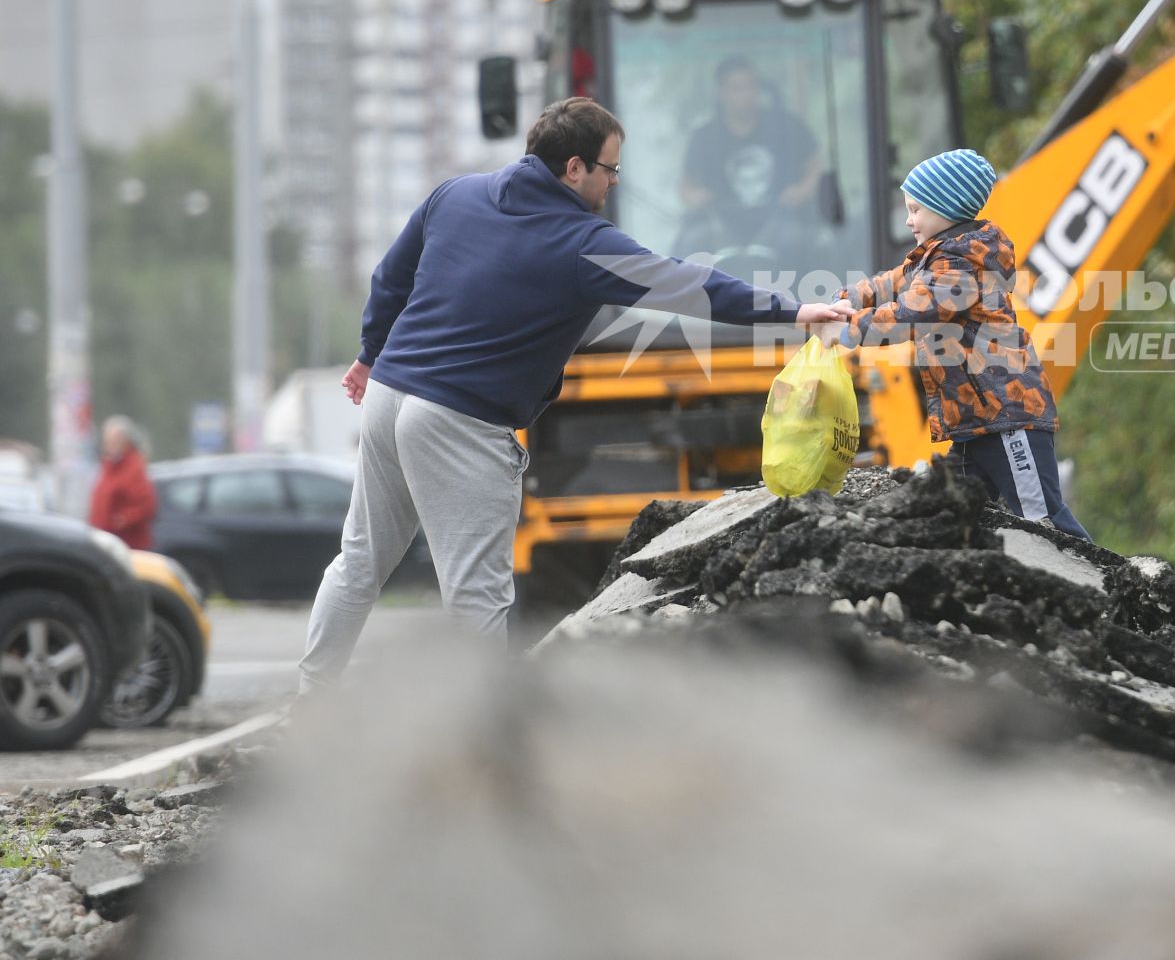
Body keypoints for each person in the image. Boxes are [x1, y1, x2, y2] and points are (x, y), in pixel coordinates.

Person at [300, 96, 853, 693]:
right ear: (574, 168)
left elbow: (390, 277)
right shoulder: (583, 242)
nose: (615, 183)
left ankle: (305, 708)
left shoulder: (455, 194)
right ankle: (479, 742)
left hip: (390, 392)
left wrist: (366, 354)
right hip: (460, 419)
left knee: (358, 563)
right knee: (476, 595)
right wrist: (795, 311)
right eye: (611, 170)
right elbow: (692, 286)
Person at [818, 148, 1091, 541]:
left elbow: (914, 316)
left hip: (1007, 419)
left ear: (947, 208)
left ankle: (1106, 591)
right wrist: (849, 298)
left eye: (916, 210)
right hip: (974, 426)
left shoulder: (962, 265)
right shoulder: (934, 257)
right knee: (952, 513)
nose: (909, 220)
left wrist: (848, 330)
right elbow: (893, 282)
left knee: (1044, 520)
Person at [678, 56, 823, 249]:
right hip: (720, 228)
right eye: (737, 88)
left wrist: (803, 191)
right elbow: (687, 186)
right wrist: (695, 196)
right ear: (721, 93)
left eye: (752, 86)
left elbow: (816, 167)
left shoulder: (787, 126)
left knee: (805, 243)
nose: (747, 95)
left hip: (784, 222)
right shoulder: (704, 137)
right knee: (690, 244)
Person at [89, 415, 157, 552]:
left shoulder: (134, 466)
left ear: (125, 441)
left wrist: (122, 520)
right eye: (107, 441)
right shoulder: (108, 466)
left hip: (128, 545)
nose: (108, 446)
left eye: (113, 441)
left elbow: (146, 506)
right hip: (105, 542)